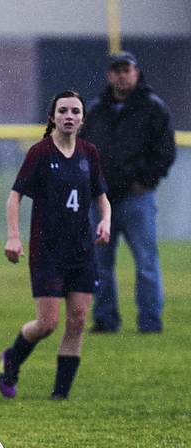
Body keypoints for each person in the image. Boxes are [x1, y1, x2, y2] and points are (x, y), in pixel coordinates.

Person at [0, 91, 111, 400]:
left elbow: (102, 196)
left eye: (75, 111)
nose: (69, 116)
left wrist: (105, 221)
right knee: (47, 323)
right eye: (63, 111)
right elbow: (14, 196)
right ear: (53, 117)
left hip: (82, 252)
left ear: (83, 118)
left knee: (78, 319)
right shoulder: (40, 153)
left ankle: (60, 395)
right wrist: (13, 236)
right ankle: (11, 360)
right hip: (47, 251)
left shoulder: (89, 153)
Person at [80, 51, 176, 334]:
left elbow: (165, 150)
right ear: (110, 75)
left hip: (137, 197)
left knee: (146, 262)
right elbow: (84, 149)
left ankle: (149, 322)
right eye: (117, 71)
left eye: (127, 70)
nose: (122, 75)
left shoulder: (152, 107)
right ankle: (105, 319)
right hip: (101, 200)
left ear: (136, 73)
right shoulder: (97, 109)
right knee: (100, 264)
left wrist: (145, 180)